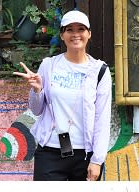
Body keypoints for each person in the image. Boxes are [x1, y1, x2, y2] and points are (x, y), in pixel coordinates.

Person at [13, 10, 111, 181]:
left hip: (85, 154)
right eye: (69, 30)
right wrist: (36, 90)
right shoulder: (49, 65)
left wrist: (97, 160)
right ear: (62, 35)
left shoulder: (100, 71)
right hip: (50, 151)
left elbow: (102, 118)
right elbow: (36, 110)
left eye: (81, 29)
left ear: (89, 33)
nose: (75, 34)